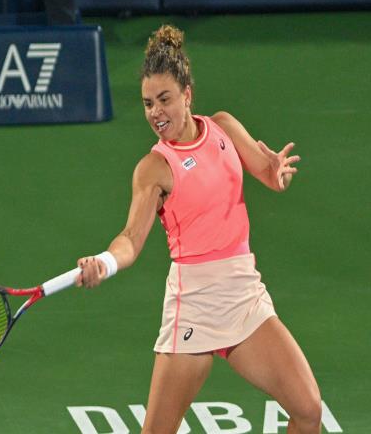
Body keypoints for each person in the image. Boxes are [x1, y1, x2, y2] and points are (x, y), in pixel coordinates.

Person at [75, 24, 322, 434]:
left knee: (308, 410)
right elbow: (130, 240)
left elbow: (265, 171)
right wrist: (105, 261)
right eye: (148, 103)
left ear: (187, 95)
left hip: (243, 294)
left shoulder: (223, 127)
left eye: (165, 99)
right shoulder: (154, 168)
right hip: (194, 303)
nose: (156, 113)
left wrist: (275, 172)